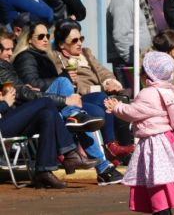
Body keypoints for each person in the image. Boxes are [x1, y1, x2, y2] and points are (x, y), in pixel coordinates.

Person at [0, 28, 123, 186]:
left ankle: (43, 171)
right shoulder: (15, 61)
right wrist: (64, 100)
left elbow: (20, 89)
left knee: (52, 109)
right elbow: (22, 92)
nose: (11, 53)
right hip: (10, 119)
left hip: (23, 113)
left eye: (47, 35)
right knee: (51, 104)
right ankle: (74, 152)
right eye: (7, 49)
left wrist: (25, 89)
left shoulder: (42, 57)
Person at [104, 51, 174, 214]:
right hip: (167, 140)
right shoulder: (168, 91)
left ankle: (161, 209)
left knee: (155, 179)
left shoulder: (148, 93)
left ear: (147, 75)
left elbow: (133, 112)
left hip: (153, 143)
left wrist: (116, 107)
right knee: (165, 177)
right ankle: (164, 209)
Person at [50, 18, 135, 168]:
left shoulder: (86, 53)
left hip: (98, 94)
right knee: (104, 100)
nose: (79, 43)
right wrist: (98, 88)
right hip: (78, 98)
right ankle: (110, 147)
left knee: (119, 100)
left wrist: (109, 81)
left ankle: (118, 148)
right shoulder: (57, 59)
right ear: (62, 44)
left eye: (81, 38)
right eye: (74, 40)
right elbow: (67, 85)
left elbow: (102, 71)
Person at [0, 94, 99, 189]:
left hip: (9, 121)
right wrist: (5, 103)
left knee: (48, 115)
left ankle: (43, 171)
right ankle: (70, 155)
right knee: (46, 101)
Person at [107, 0, 151, 89]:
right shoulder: (122, 1)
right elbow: (120, 36)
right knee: (131, 99)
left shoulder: (130, 0)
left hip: (134, 61)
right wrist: (131, 60)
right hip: (127, 63)